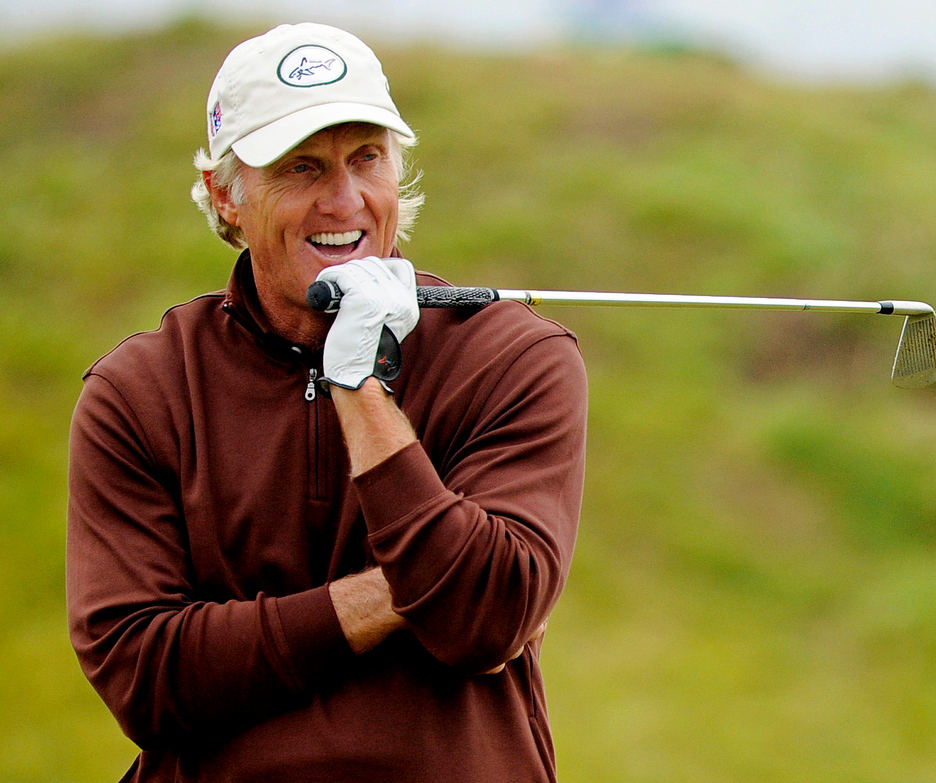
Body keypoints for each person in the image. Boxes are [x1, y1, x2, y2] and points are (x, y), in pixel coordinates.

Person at [66, 22, 588, 783]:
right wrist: (401, 590)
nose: (343, 199)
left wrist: (360, 387)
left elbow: (485, 618)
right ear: (227, 195)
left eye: (366, 157)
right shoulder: (141, 391)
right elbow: (143, 675)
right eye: (301, 167)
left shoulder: (509, 355)